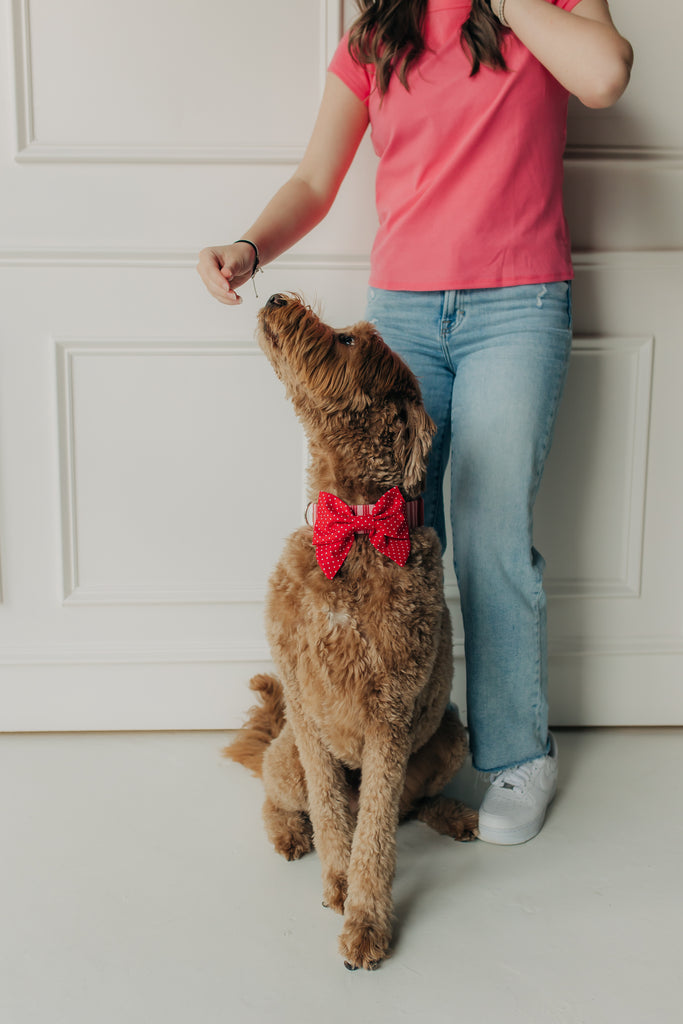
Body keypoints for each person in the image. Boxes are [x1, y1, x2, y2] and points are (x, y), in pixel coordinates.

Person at [197, 0, 633, 844]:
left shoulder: (544, 8)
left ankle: (516, 755)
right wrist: (249, 248)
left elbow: (606, 75)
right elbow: (314, 182)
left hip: (517, 306)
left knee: (489, 531)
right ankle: (374, 746)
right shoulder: (375, 34)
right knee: (381, 535)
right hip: (401, 318)